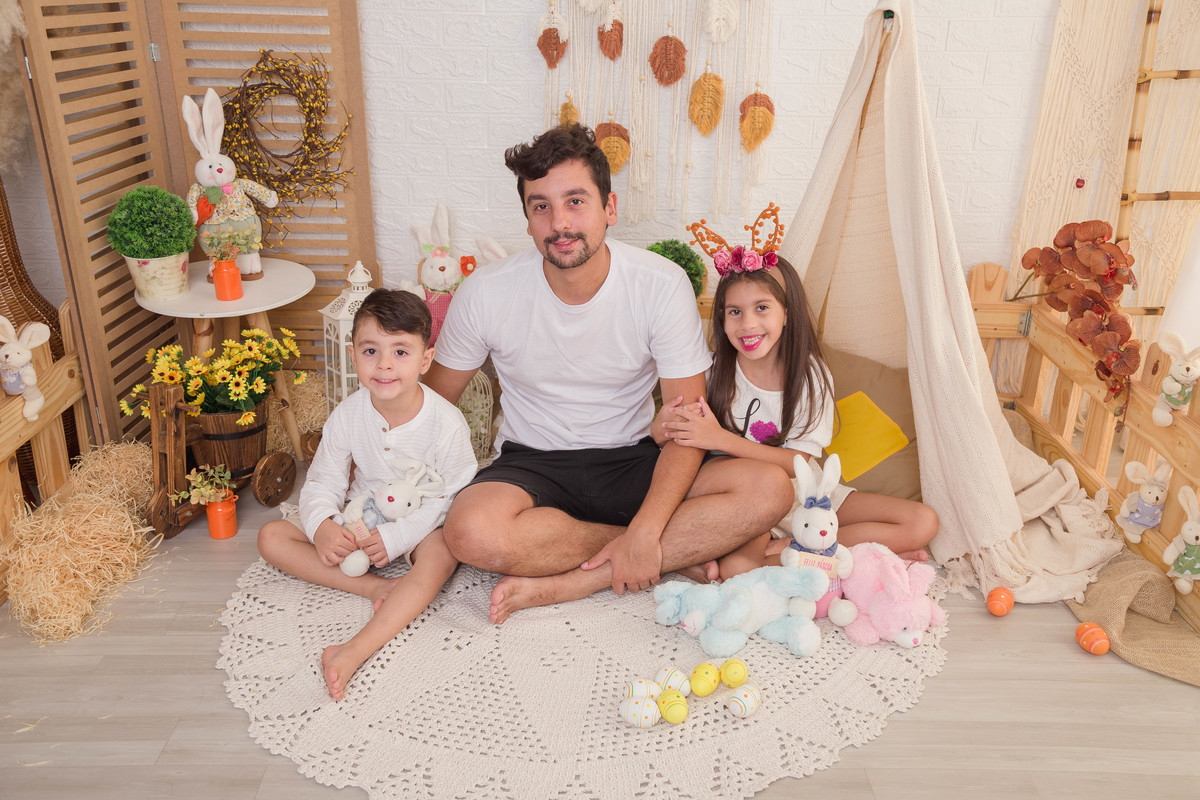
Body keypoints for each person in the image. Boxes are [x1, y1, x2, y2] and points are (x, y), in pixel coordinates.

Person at [423, 124, 793, 623]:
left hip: (632, 460)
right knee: (470, 531)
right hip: (531, 464)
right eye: (541, 206)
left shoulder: (660, 283)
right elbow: (430, 406)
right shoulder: (486, 292)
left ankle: (584, 577)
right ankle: (660, 552)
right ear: (528, 220)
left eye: (576, 201)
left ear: (609, 208)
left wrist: (649, 526)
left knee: (770, 488)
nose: (559, 223)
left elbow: (688, 423)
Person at [654, 240, 938, 580]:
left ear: (787, 313)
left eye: (762, 308)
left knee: (922, 522)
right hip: (753, 502)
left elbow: (797, 462)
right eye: (735, 312)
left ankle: (795, 549)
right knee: (737, 570)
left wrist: (719, 438)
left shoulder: (810, 376)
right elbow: (665, 437)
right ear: (722, 319)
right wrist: (660, 427)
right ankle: (838, 556)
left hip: (809, 494)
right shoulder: (712, 372)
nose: (748, 324)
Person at [257, 289, 477, 700]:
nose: (385, 365)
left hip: (417, 523)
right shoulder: (347, 414)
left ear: (425, 360)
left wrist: (397, 537)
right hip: (358, 515)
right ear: (354, 355)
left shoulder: (446, 423)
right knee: (271, 537)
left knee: (442, 555)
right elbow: (323, 481)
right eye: (371, 351)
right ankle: (373, 588)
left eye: (401, 352)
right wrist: (324, 525)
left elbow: (449, 496)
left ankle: (354, 649)